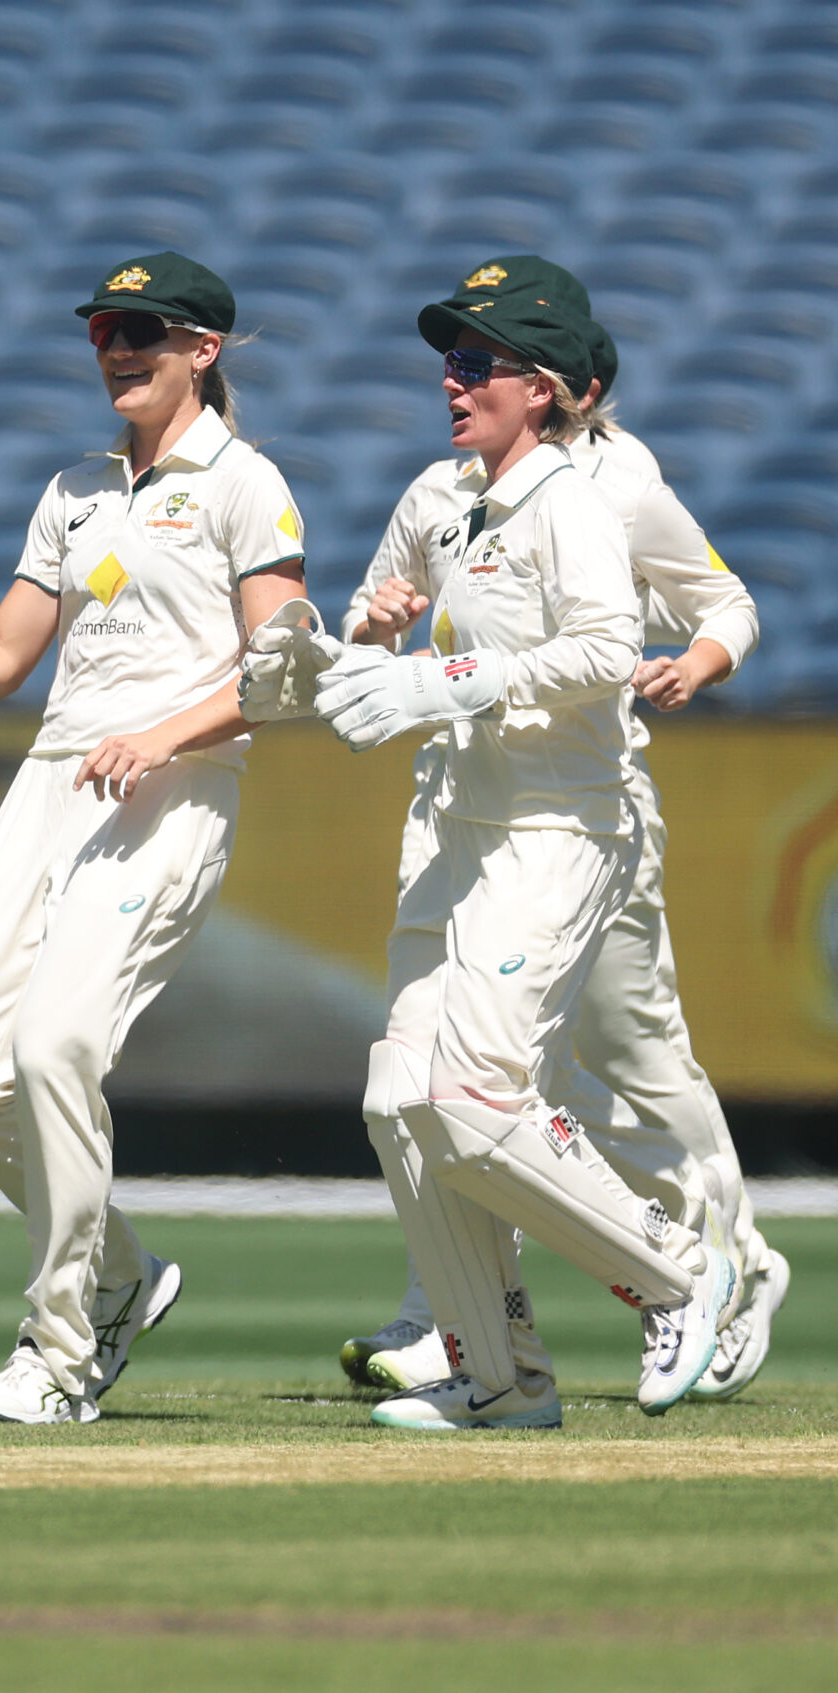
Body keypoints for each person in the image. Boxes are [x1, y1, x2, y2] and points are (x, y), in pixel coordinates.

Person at [0, 254, 308, 1424]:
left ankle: (61, 1355)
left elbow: (283, 672)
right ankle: (118, 1271)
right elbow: (1, 661)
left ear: (202, 350)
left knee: (55, 1047)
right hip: (52, 784)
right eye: (104, 329)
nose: (115, 348)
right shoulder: (73, 489)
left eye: (141, 332)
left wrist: (160, 734)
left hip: (175, 788)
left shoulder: (244, 483)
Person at [332, 257, 782, 1401]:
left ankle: (708, 1269)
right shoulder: (442, 493)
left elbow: (659, 623)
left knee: (606, 1059)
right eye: (447, 358)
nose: (450, 378)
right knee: (406, 1094)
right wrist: (372, 633)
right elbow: (374, 636)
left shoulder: (604, 488)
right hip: (458, 815)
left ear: (548, 384)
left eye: (475, 360)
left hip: (579, 812)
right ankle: (491, 1363)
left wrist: (694, 661)